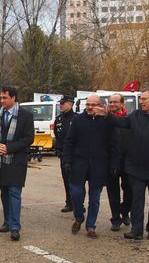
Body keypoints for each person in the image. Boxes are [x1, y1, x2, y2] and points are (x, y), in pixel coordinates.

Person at [95, 89, 149, 240]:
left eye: (144, 99)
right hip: (136, 167)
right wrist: (107, 115)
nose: (141, 102)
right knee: (137, 200)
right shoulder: (135, 116)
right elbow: (121, 122)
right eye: (141, 99)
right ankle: (136, 230)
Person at [62, 94, 118, 238]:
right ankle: (79, 216)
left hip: (99, 166)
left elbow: (113, 144)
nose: (90, 107)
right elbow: (69, 141)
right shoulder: (78, 120)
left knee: (94, 199)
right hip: (79, 164)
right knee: (75, 192)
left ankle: (91, 226)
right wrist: (67, 160)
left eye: (93, 105)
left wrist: (113, 163)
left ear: (100, 106)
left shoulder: (106, 122)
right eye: (88, 105)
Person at [0, 86, 35, 241]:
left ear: (13, 98)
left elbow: (28, 138)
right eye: (1, 98)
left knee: (14, 193)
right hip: (0, 162)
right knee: (4, 192)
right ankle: (7, 221)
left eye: (5, 98)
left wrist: (8, 148)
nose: (2, 101)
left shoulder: (25, 116)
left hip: (16, 162)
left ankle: (15, 227)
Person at [105, 93, 132, 231]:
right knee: (112, 191)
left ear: (122, 104)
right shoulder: (103, 120)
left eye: (115, 102)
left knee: (130, 190)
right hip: (110, 161)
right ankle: (116, 218)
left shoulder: (130, 119)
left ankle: (125, 210)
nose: (112, 104)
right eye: (110, 102)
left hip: (128, 162)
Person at [53, 95, 76, 212]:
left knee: (77, 181)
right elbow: (57, 135)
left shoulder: (77, 118)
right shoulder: (58, 119)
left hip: (76, 155)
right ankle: (69, 203)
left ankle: (78, 204)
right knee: (66, 180)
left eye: (63, 103)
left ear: (70, 104)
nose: (60, 105)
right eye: (60, 103)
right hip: (63, 154)